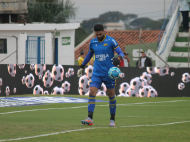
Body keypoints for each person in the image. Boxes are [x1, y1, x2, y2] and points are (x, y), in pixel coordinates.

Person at [77, 24, 124, 126]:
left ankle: (112, 120)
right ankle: (90, 118)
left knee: (111, 95)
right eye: (96, 34)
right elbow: (89, 55)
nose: (98, 36)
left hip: (109, 74)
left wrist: (119, 58)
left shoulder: (111, 41)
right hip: (97, 72)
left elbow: (121, 53)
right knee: (92, 92)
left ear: (104, 31)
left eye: (100, 34)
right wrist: (82, 66)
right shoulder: (93, 42)